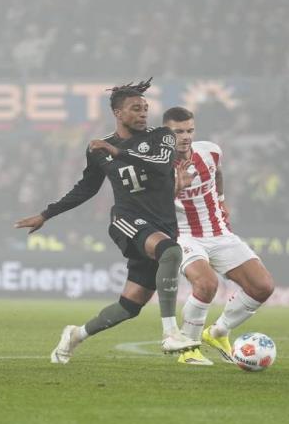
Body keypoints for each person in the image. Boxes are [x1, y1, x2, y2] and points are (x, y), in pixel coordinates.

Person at [15, 79, 199, 364]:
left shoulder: (162, 136)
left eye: (145, 108)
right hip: (127, 220)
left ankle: (75, 335)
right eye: (135, 108)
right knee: (170, 252)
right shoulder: (100, 149)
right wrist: (46, 214)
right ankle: (171, 332)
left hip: (162, 225)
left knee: (130, 306)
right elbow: (86, 188)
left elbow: (162, 164)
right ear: (117, 113)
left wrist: (119, 153)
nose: (143, 113)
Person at [163, 107, 275, 365]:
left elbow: (218, 172)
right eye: (178, 132)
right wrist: (176, 187)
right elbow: (154, 207)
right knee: (206, 284)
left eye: (189, 130)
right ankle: (189, 349)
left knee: (262, 286)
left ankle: (218, 332)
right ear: (165, 134)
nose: (185, 136)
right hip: (184, 236)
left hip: (219, 232)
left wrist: (222, 199)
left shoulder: (210, 152)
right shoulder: (158, 167)